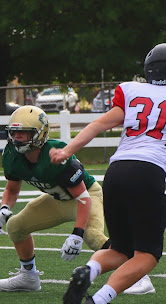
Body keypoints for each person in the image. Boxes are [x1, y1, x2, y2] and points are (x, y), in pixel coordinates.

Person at [50, 43, 166, 304]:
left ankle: (89, 271)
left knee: (120, 248)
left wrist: (68, 149)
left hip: (116, 171)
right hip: (148, 172)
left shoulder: (132, 90)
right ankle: (98, 300)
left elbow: (100, 123)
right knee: (148, 254)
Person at [0, 105, 111, 291]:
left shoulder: (56, 153)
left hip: (86, 196)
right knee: (15, 226)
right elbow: (12, 189)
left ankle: (137, 273)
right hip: (58, 199)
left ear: (40, 135)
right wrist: (4, 208)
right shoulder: (11, 155)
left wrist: (77, 234)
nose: (16, 137)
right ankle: (28, 277)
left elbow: (83, 198)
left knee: (92, 236)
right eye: (14, 132)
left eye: (23, 133)